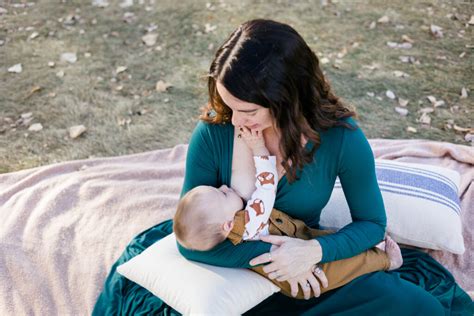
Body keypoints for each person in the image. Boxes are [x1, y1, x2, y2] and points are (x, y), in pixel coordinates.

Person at [93, 19, 473, 315]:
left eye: (249, 110)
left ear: (286, 98)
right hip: (234, 267)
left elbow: (371, 224)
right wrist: (276, 262)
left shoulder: (341, 138)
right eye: (228, 105)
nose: (235, 119)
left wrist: (311, 253)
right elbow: (192, 242)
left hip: (309, 260)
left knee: (417, 308)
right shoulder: (214, 131)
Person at [173, 126, 403, 300]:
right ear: (226, 225)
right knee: (331, 273)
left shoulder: (227, 228)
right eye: (222, 194)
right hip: (296, 274)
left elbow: (372, 223)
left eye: (249, 109)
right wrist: (259, 149)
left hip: (302, 242)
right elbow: (266, 185)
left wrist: (306, 252)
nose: (223, 186)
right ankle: (383, 260)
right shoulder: (250, 218)